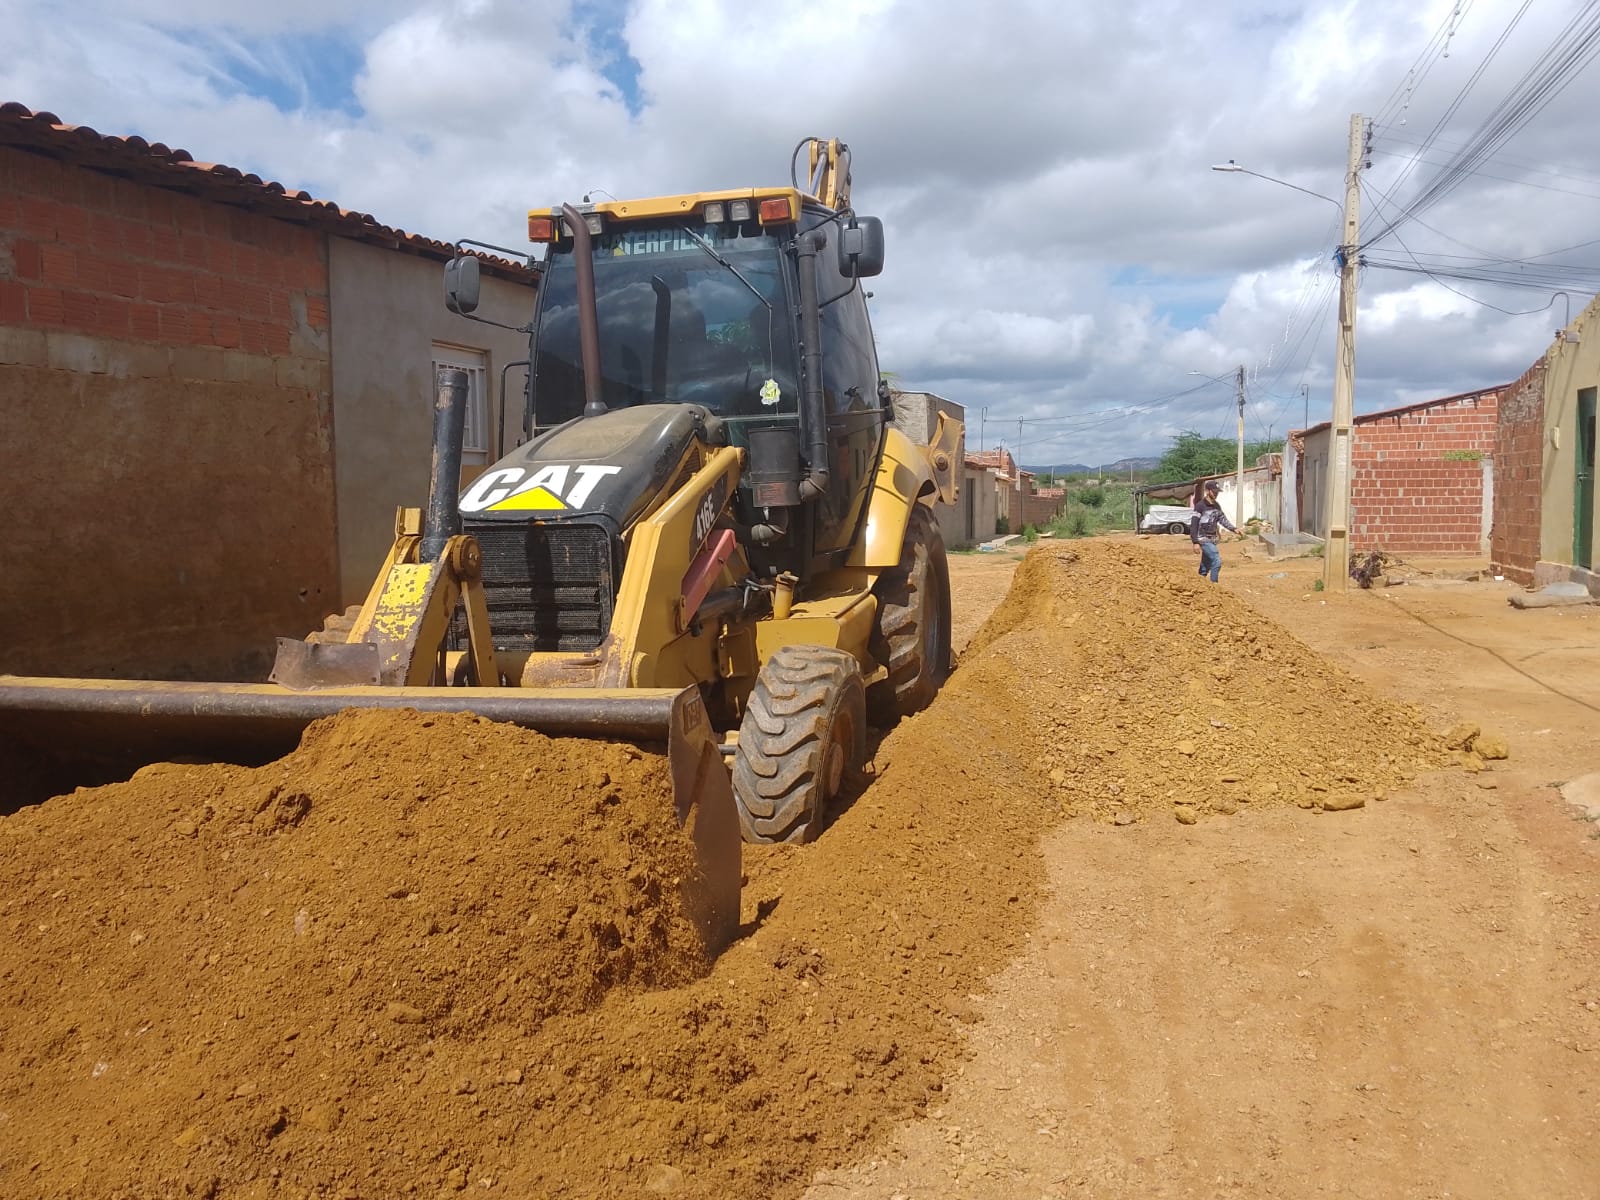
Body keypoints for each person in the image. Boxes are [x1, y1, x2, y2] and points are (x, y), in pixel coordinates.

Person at [1189, 479, 1238, 583]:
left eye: (1217, 492)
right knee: (1216, 561)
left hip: (1212, 539)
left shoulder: (1217, 506)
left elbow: (1222, 520)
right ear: (1207, 491)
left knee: (1205, 565)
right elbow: (1194, 524)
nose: (1216, 494)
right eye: (1214, 491)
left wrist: (1234, 529)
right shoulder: (1200, 506)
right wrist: (1195, 542)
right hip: (1203, 539)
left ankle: (1199, 583)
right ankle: (1214, 585)